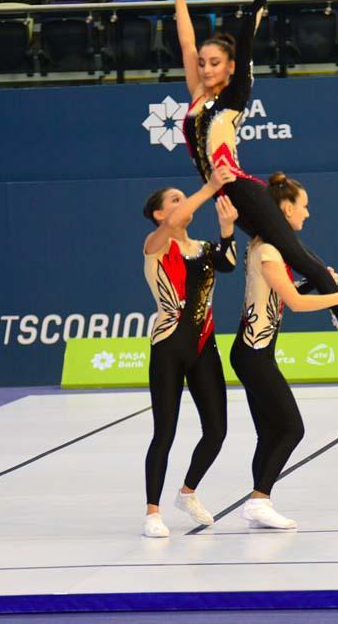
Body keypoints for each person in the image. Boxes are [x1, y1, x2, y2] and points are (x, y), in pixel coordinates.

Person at [174, 0, 338, 369]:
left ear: (229, 68)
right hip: (226, 193)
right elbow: (187, 43)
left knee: (296, 254)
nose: (206, 68)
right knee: (289, 253)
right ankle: (337, 303)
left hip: (242, 188)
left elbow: (245, 42)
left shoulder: (234, 95)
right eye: (203, 64)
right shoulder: (196, 94)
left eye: (215, 63)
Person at [231, 172, 338, 530]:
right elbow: (294, 303)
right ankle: (259, 500)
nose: (308, 214)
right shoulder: (269, 248)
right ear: (285, 209)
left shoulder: (264, 245)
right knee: (292, 429)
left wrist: (313, 281)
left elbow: (279, 292)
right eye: (304, 207)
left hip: (254, 351)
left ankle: (260, 502)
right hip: (253, 353)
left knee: (269, 432)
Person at [141, 167, 239, 538]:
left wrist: (227, 228)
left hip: (204, 344)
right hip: (169, 344)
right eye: (175, 200)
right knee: (164, 431)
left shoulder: (201, 248)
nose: (183, 205)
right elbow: (171, 227)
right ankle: (152, 512)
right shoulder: (156, 243)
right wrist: (209, 187)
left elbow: (228, 263)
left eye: (185, 198)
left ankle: (187, 492)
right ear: (160, 215)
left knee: (216, 430)